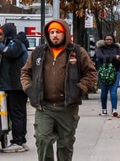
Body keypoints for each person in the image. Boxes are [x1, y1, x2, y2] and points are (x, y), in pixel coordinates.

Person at [20, 19, 97, 161]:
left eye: (58, 32)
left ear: (65, 34)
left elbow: (91, 73)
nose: (55, 35)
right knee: (43, 140)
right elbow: (25, 72)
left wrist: (79, 88)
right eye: (52, 32)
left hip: (67, 107)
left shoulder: (77, 52)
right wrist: (29, 88)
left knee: (65, 145)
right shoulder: (39, 52)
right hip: (45, 107)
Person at [0, 23, 30, 152]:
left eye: (1, 34)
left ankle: (17, 142)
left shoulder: (15, 44)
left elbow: (8, 53)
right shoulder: (17, 43)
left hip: (15, 85)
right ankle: (21, 140)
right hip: (16, 85)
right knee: (19, 113)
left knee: (16, 114)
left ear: (8, 33)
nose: (0, 37)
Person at [93, 36, 120, 116]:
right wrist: (114, 57)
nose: (109, 41)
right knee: (104, 92)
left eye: (110, 39)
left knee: (113, 92)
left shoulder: (117, 48)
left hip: (115, 72)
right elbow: (99, 57)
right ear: (104, 40)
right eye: (107, 39)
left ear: (113, 40)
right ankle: (104, 109)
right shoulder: (100, 48)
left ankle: (114, 110)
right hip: (103, 72)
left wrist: (108, 58)